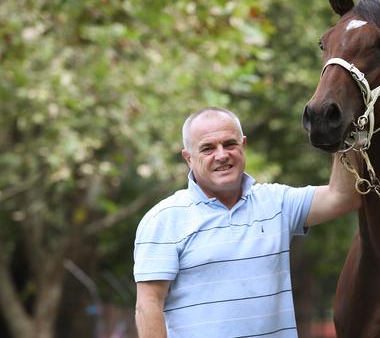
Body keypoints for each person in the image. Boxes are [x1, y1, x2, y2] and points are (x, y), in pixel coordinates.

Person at [133, 107, 361, 338]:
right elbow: (148, 305)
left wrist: (345, 131)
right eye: (208, 148)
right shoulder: (164, 219)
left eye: (229, 144)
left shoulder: (277, 202)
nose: (221, 155)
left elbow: (343, 197)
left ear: (243, 145)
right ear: (188, 158)